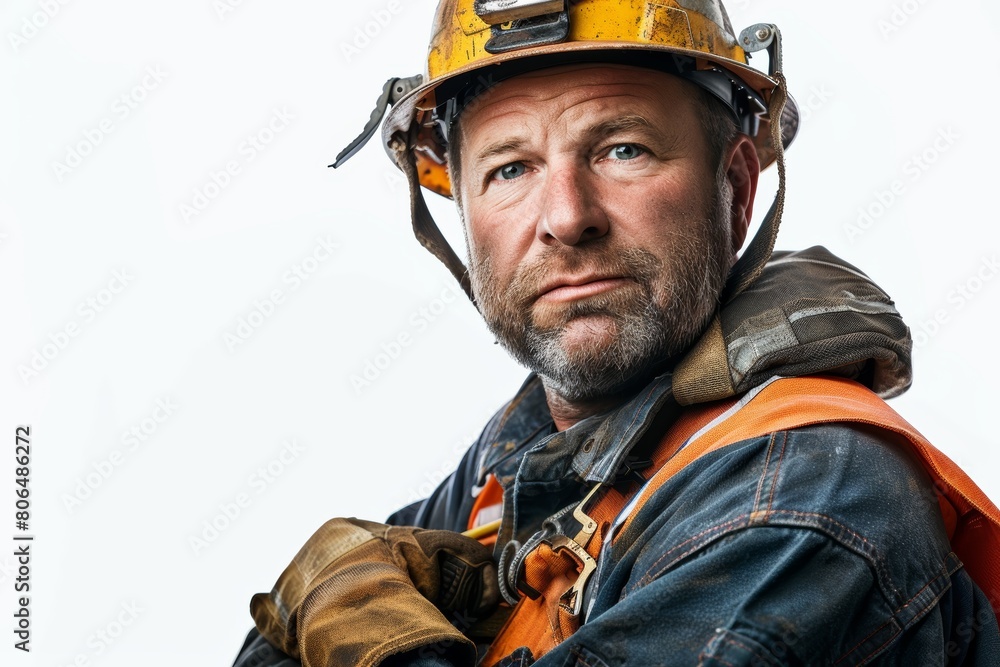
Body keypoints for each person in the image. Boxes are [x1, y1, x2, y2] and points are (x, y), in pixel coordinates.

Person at [233, 1, 1000, 665]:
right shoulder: (526, 447)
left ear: (734, 190)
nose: (566, 217)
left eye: (622, 150)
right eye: (509, 169)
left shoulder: (806, 497)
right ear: (461, 216)